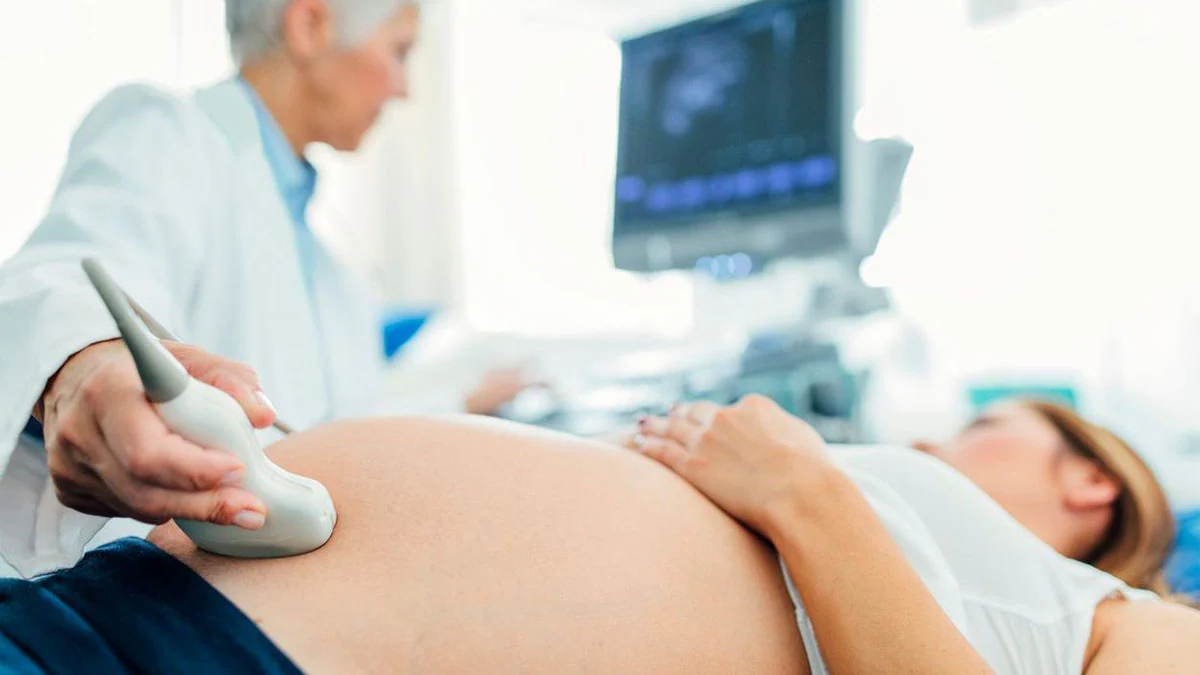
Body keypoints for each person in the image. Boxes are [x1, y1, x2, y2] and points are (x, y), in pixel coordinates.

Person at [1, 398, 1197, 673]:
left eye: (984, 423)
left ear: (1089, 481)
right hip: (125, 608)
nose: (944, 436)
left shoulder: (1134, 624)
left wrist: (805, 491)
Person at [0, 0, 527, 578]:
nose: (404, 89)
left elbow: (335, 427)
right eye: (399, 50)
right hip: (146, 602)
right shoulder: (165, 133)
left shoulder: (332, 273)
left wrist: (463, 405)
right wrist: (80, 367)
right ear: (310, 24)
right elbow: (65, 273)